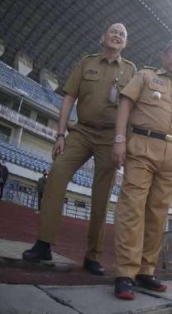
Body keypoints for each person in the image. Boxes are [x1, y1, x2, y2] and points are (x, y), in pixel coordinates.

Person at [22, 23, 136, 277]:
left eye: (122, 34)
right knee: (56, 175)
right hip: (81, 131)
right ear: (103, 37)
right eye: (113, 31)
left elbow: (130, 111)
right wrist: (60, 134)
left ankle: (92, 256)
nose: (117, 35)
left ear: (125, 44)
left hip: (109, 137)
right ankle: (43, 245)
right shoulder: (86, 63)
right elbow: (68, 98)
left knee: (101, 195)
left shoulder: (130, 70)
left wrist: (123, 143)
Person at [112, 39, 172, 300]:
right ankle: (125, 273)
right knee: (132, 208)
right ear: (163, 55)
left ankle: (146, 270)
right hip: (142, 147)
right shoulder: (145, 76)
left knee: (157, 215)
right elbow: (125, 103)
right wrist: (119, 139)